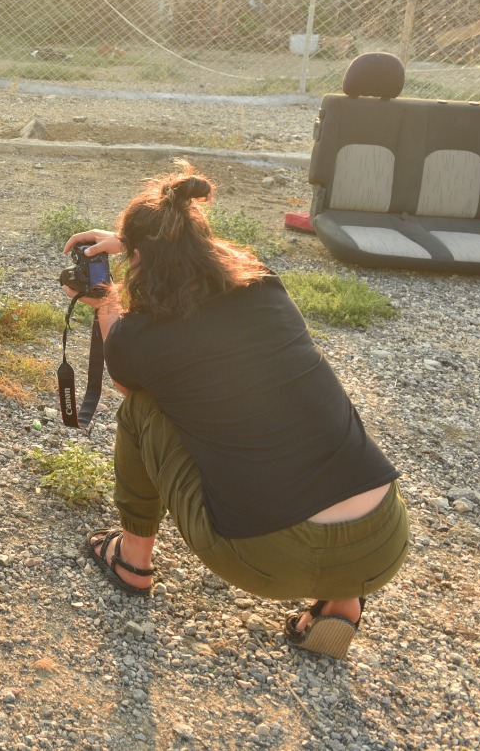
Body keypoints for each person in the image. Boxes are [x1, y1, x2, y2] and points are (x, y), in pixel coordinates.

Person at [64, 163, 410, 660]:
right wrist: (138, 243)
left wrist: (105, 302)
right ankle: (342, 601)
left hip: (265, 559)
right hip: (383, 543)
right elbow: (202, 254)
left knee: (142, 409)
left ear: (136, 259)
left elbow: (123, 379)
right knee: (301, 405)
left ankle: (132, 559)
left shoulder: (141, 339)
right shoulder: (266, 287)